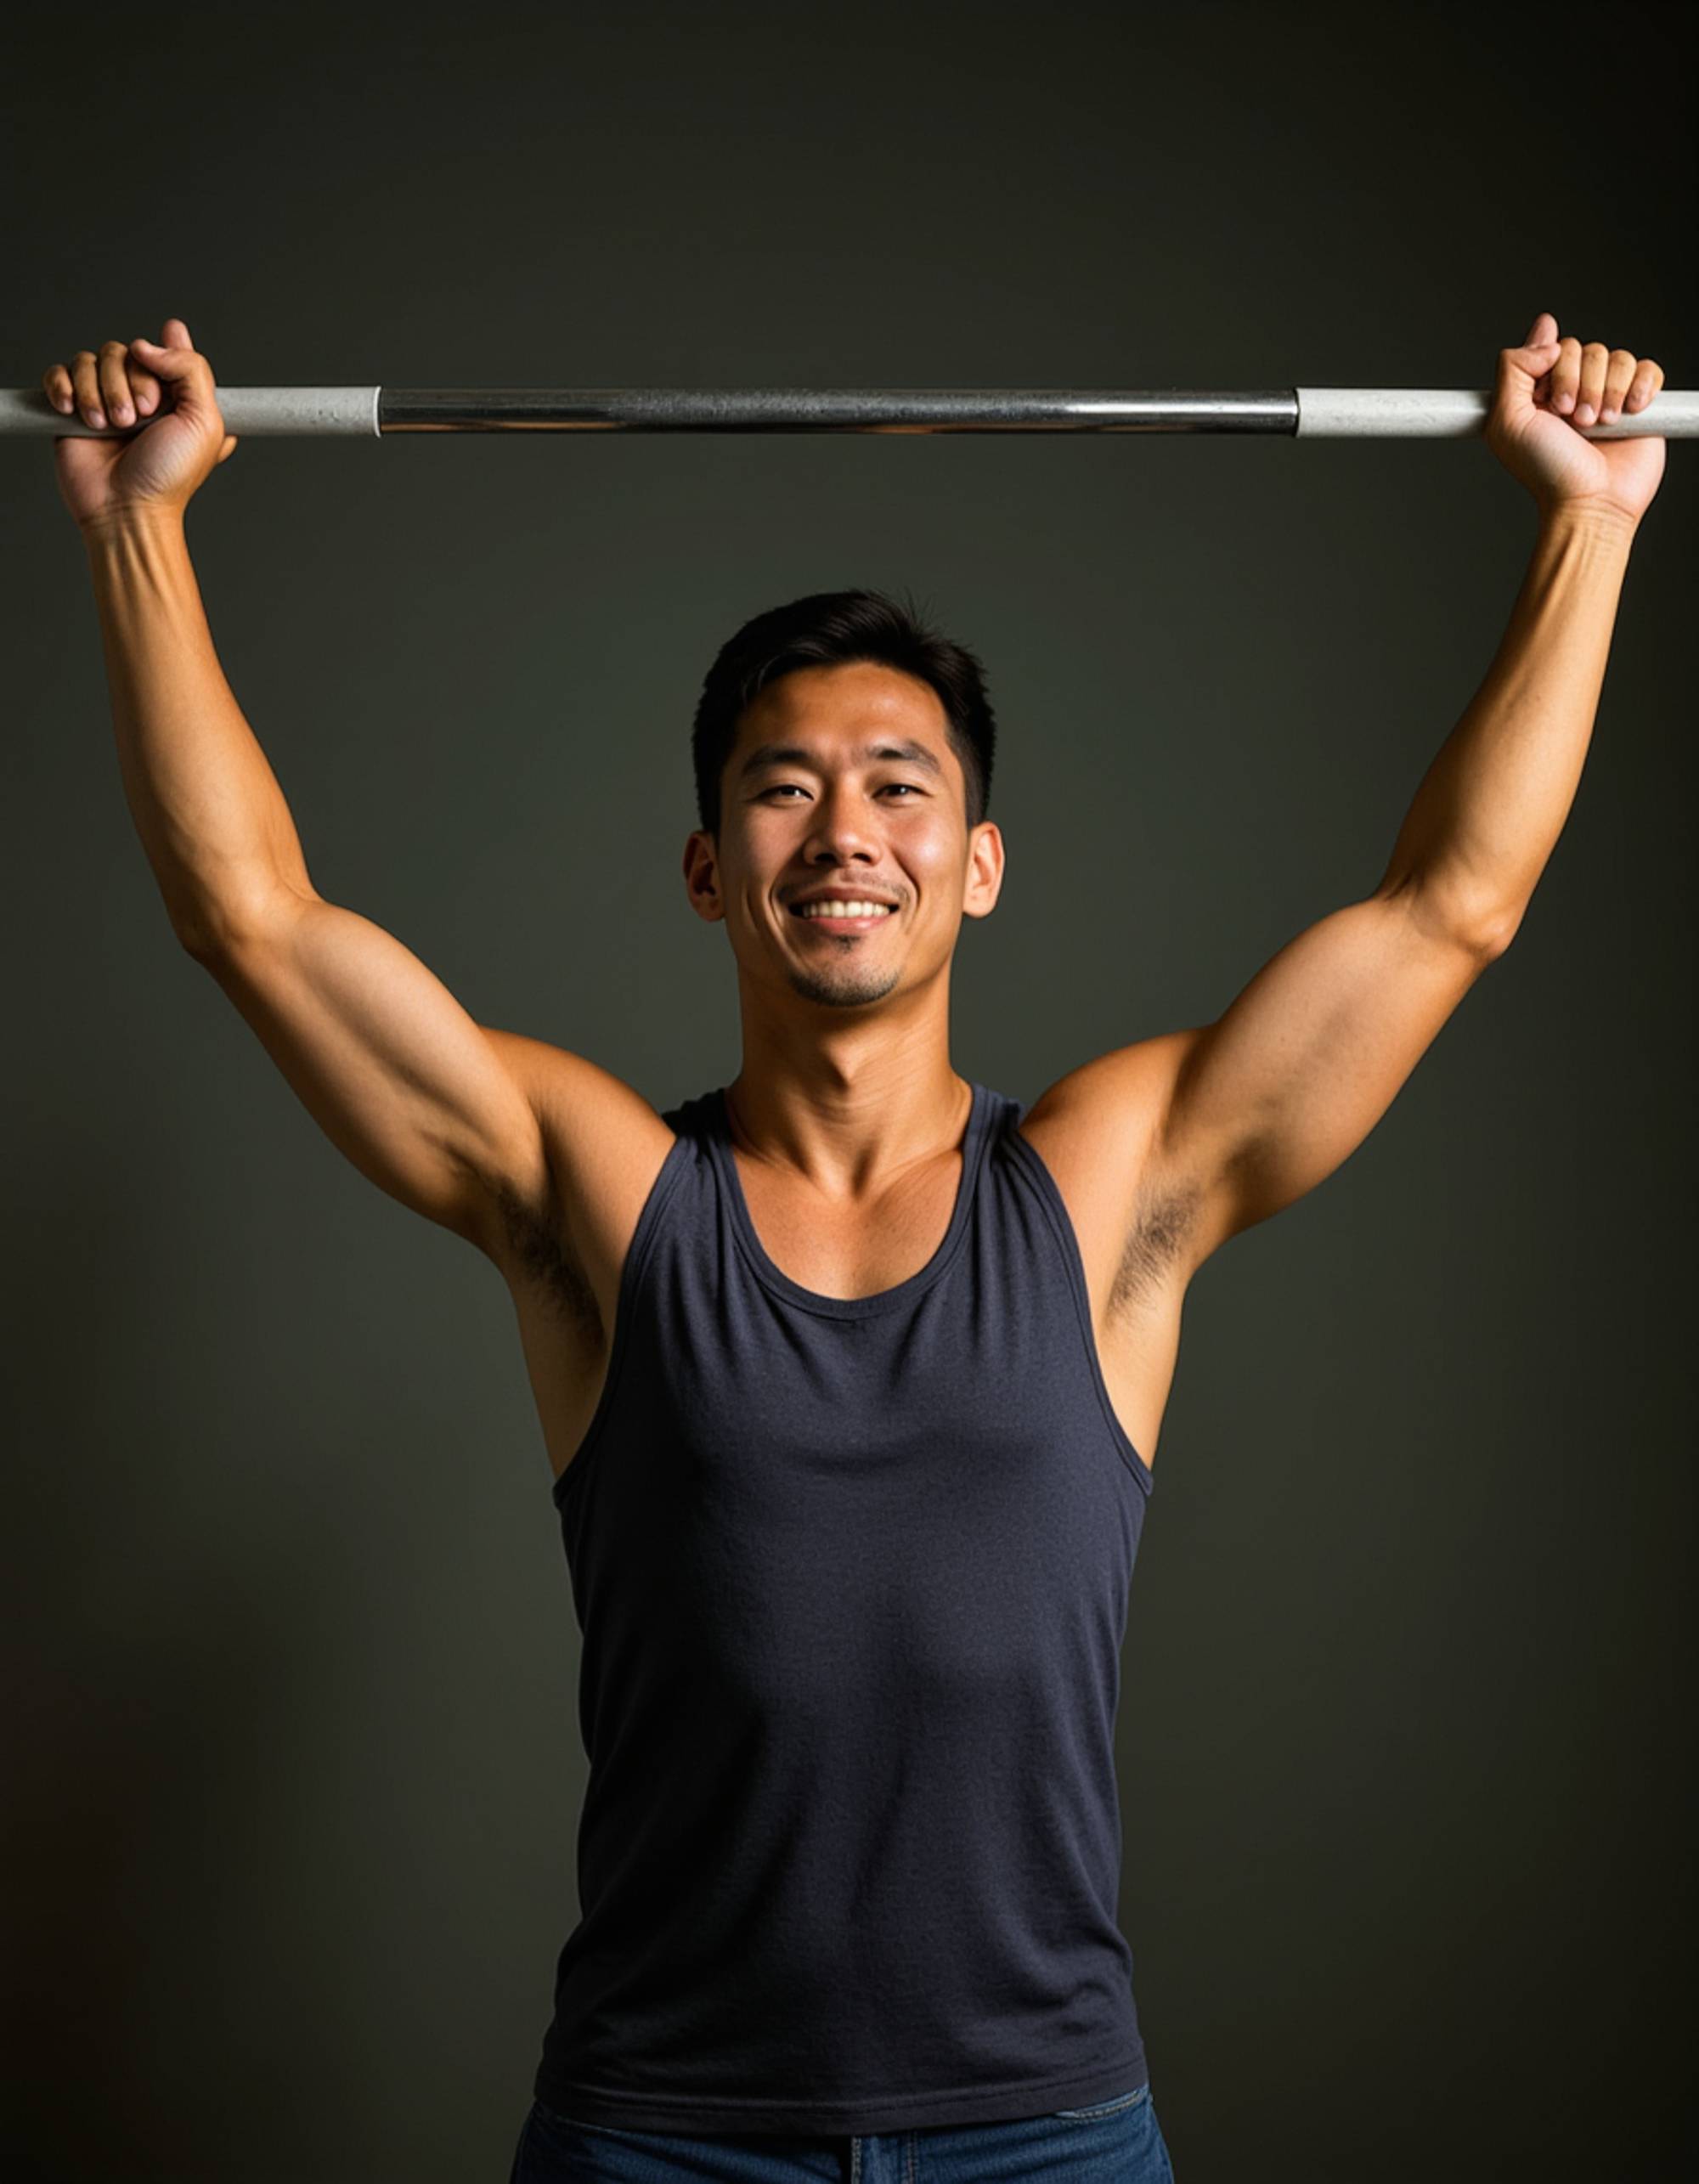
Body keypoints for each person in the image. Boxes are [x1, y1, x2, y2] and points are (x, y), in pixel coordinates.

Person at [45, 313, 1666, 2184]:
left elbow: (1449, 906)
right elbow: (251, 915)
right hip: (661, 2131)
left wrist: (1593, 522)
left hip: (1043, 2131)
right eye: (781, 784)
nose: (845, 831)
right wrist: (132, 527)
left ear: (977, 857)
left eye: (901, 783)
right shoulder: (597, 1193)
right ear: (707, 862)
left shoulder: (1110, 1179)